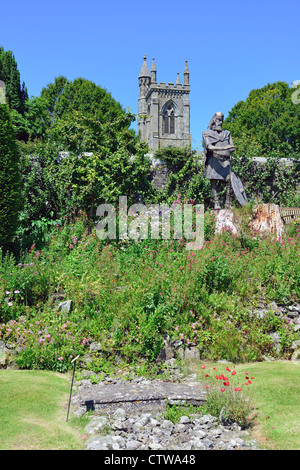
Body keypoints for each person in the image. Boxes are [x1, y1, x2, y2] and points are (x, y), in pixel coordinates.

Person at [202, 112, 235, 210]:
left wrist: (230, 148)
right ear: (213, 120)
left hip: (225, 161)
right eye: (218, 120)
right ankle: (217, 203)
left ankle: (228, 203)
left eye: (221, 120)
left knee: (229, 181)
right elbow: (209, 146)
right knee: (214, 182)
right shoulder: (207, 133)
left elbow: (232, 147)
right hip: (214, 160)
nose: (220, 122)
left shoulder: (227, 133)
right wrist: (224, 148)